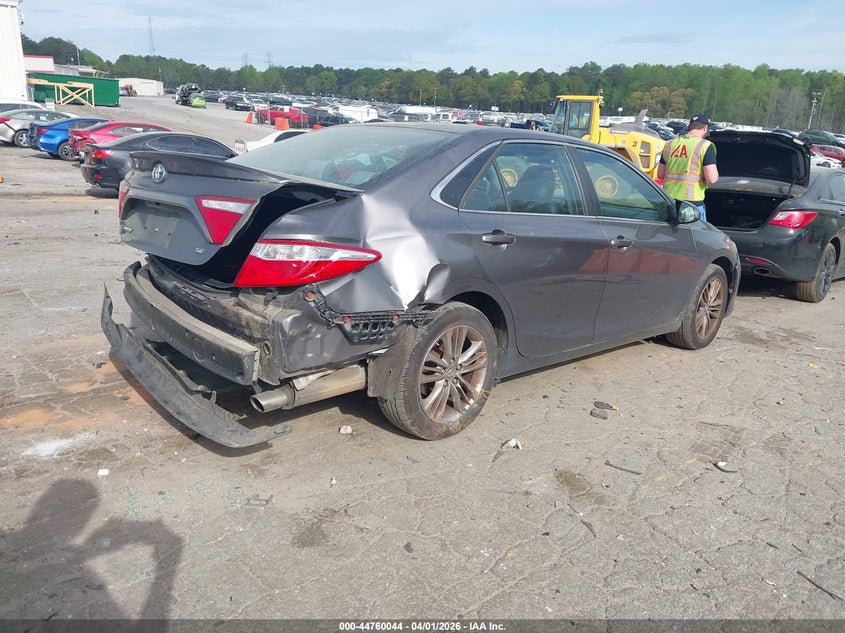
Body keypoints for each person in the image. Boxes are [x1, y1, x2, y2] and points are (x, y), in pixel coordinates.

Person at [657, 113, 719, 221]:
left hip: (669, 201)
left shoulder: (670, 144)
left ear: (690, 127)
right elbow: (712, 179)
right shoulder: (705, 146)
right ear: (705, 128)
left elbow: (660, 174)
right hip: (691, 205)